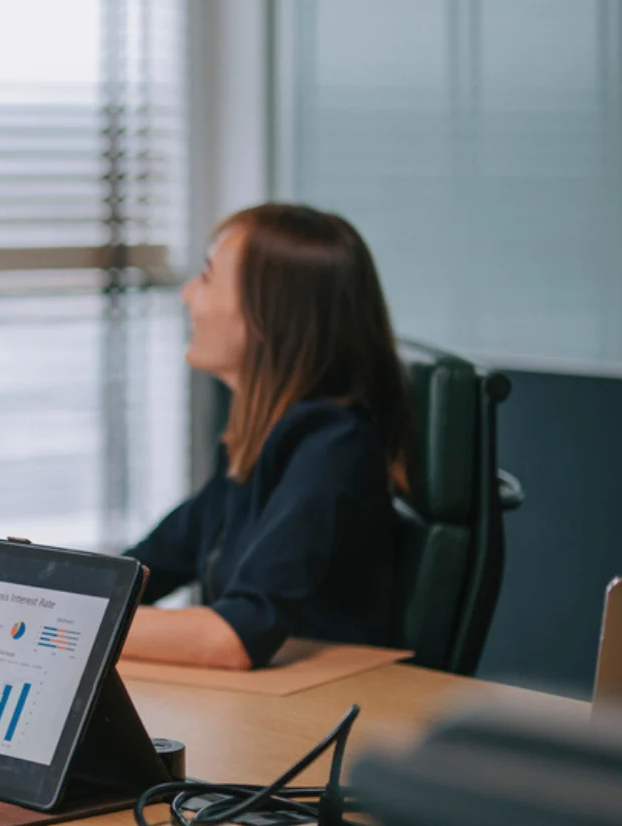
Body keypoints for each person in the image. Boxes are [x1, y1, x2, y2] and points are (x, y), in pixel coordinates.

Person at [121, 203, 411, 671]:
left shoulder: (333, 446)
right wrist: (52, 593)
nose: (188, 295)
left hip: (319, 714)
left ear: (269, 313)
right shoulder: (255, 439)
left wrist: (77, 626)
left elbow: (237, 634)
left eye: (209, 278)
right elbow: (148, 566)